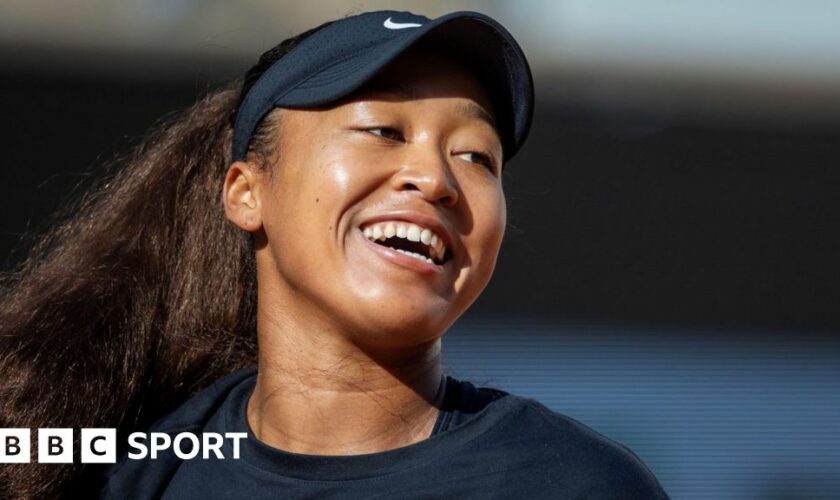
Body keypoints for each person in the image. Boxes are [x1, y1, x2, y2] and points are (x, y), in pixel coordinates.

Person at [0, 10, 669, 499]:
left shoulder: (572, 484)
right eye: (382, 130)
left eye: (476, 156)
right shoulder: (119, 475)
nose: (435, 179)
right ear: (246, 192)